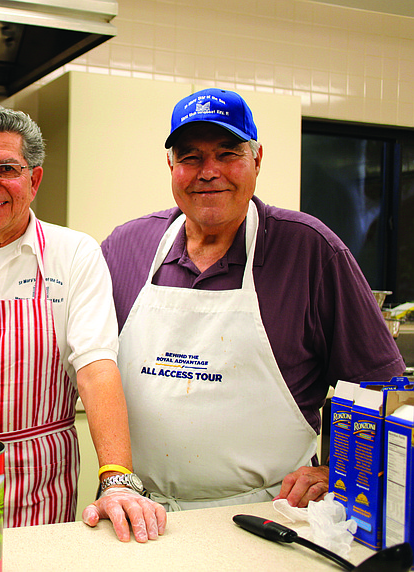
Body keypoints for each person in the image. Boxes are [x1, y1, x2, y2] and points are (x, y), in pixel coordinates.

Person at [100, 88, 405, 511]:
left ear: (257, 160)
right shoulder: (126, 247)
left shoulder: (310, 251)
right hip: (141, 513)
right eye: (190, 157)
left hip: (266, 513)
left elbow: (382, 391)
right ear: (171, 165)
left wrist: (338, 468)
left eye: (227, 154)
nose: (208, 172)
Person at [0, 104, 166, 543]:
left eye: (7, 169)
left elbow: (95, 369)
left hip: (39, 479)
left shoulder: (74, 254)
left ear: (34, 180)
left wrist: (116, 477)